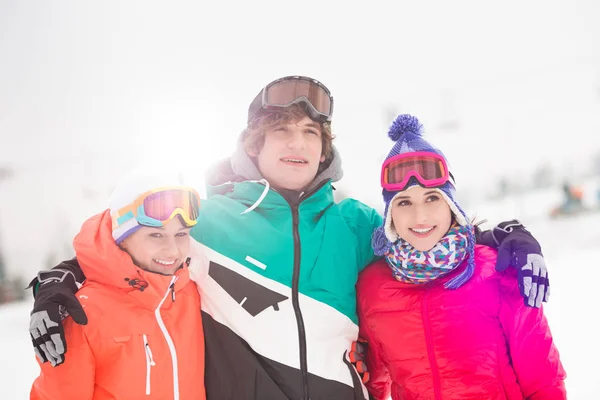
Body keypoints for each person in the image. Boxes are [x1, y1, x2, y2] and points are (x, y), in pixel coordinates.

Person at [27, 76, 550, 400]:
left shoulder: (357, 223)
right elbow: (128, 236)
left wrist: (505, 236)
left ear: (325, 149)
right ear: (254, 144)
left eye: (310, 133)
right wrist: (59, 280)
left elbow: (424, 228)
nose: (297, 144)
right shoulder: (206, 221)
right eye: (282, 130)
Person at [356, 114, 566, 399]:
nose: (420, 216)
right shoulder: (373, 288)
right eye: (404, 203)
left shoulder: (497, 270)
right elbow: (374, 385)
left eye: (432, 198)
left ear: (451, 206)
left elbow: (544, 380)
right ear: (390, 216)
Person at [30, 166, 206, 400]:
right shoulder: (84, 313)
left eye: (181, 234)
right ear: (121, 238)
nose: (172, 250)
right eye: (156, 235)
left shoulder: (194, 292)